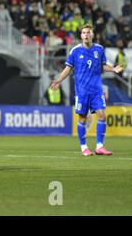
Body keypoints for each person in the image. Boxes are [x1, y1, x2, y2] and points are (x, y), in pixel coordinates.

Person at [50, 25, 123, 156]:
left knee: (102, 114)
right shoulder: (75, 51)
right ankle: (84, 147)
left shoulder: (99, 49)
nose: (86, 34)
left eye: (88, 32)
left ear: (92, 35)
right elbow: (68, 69)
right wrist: (58, 80)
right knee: (82, 118)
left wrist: (113, 69)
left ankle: (99, 146)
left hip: (96, 90)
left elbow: (103, 66)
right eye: (83, 32)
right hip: (82, 91)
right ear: (81, 35)